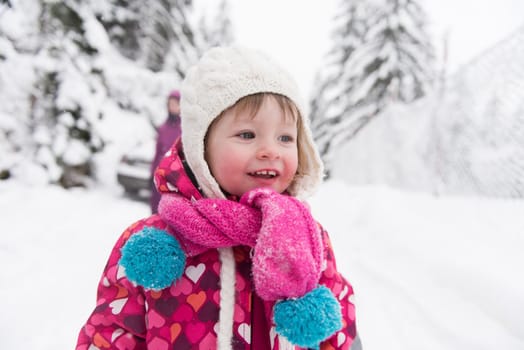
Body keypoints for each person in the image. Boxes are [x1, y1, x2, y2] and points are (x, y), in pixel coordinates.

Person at [76, 46, 359, 350]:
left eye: (285, 138)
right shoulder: (152, 242)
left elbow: (338, 335)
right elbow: (110, 335)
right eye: (247, 135)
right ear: (201, 151)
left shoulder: (307, 240)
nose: (271, 151)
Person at [150, 89, 182, 213]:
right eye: (170, 104)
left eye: (176, 104)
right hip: (160, 176)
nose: (173, 107)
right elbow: (157, 153)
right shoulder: (163, 128)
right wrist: (152, 173)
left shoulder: (184, 128)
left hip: (176, 179)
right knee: (156, 210)